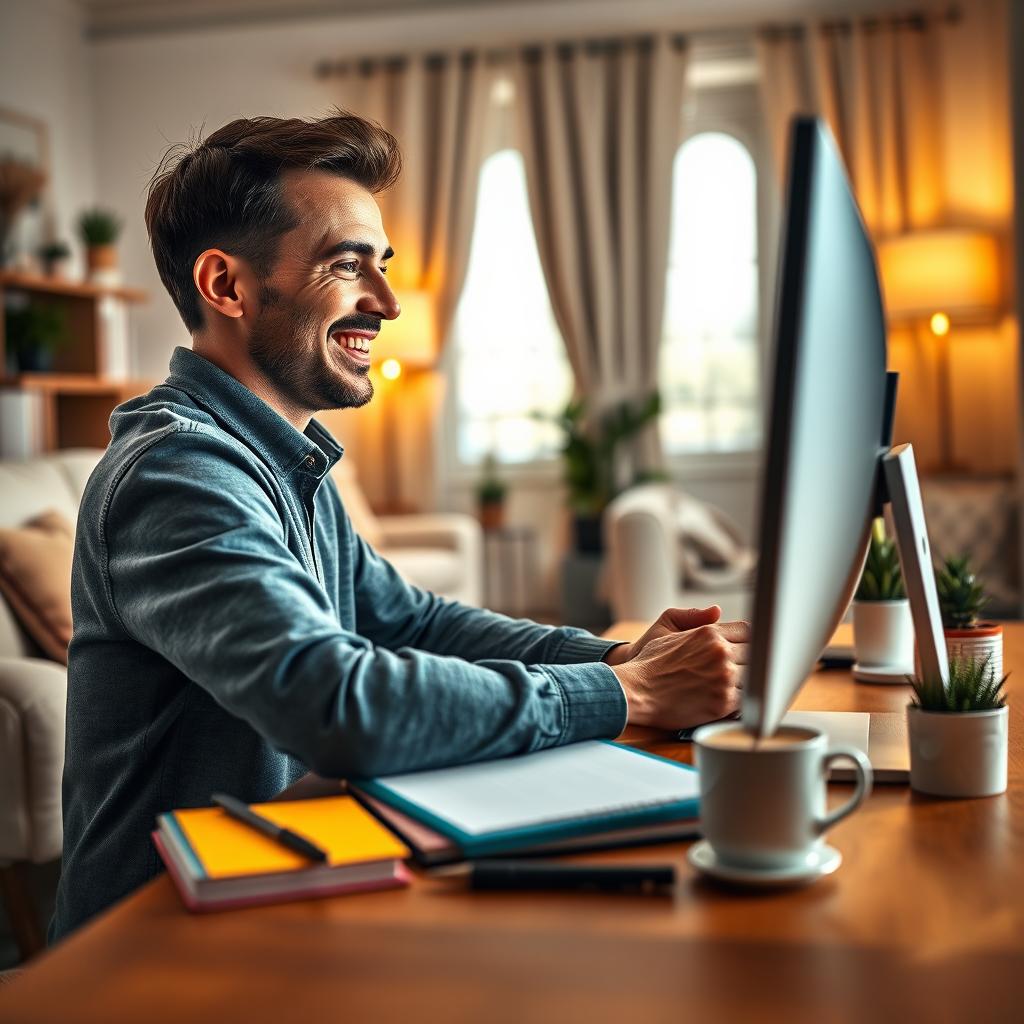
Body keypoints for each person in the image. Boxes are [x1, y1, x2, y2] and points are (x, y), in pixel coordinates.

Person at [51, 111, 749, 940]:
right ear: (227, 285)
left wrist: (616, 655)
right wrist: (625, 693)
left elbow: (413, 622)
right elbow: (339, 702)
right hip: (154, 948)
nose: (384, 302)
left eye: (380, 267)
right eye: (348, 266)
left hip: (280, 891)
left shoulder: (284, 459)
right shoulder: (177, 474)